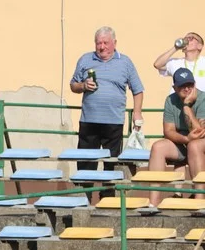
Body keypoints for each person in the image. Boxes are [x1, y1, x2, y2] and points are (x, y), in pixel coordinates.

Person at [70, 26, 144, 194]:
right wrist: (82, 86)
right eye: (98, 43)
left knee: (111, 164)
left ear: (114, 43)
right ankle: (83, 198)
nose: (102, 47)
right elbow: (73, 84)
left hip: (114, 121)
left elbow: (138, 90)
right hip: (89, 121)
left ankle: (107, 201)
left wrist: (137, 112)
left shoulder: (125, 62)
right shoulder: (85, 59)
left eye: (105, 43)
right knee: (86, 162)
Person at [142, 69, 205, 213]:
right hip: (184, 141)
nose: (187, 89)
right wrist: (185, 139)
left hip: (201, 143)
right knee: (158, 147)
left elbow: (200, 132)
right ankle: (153, 203)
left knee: (194, 146)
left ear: (194, 85)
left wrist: (187, 106)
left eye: (190, 85)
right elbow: (168, 131)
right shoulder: (170, 100)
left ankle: (200, 202)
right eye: (182, 86)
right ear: (175, 87)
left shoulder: (202, 98)